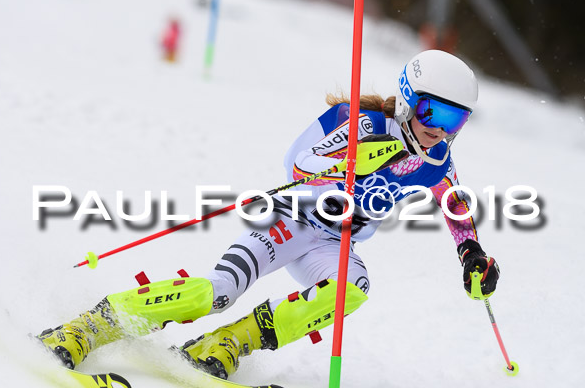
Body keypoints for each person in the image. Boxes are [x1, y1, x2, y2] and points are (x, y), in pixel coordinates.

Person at [37, 50, 500, 379]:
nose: (439, 129)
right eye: (431, 110)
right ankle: (88, 327)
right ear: (407, 97)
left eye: (454, 119)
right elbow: (297, 163)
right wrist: (346, 162)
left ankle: (226, 343)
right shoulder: (360, 122)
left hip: (333, 242)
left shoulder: (436, 160)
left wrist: (471, 253)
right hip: (287, 219)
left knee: (350, 292)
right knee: (217, 292)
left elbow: (454, 203)